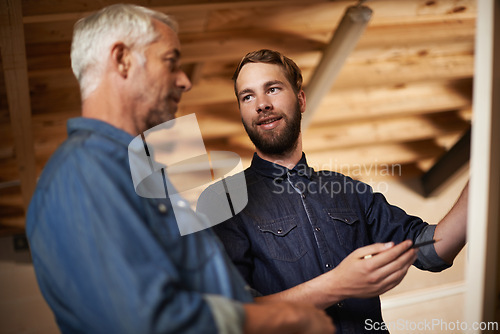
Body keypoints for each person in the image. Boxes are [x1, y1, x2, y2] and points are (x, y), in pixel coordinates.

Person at [26, 7, 335, 334]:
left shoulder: (135, 170)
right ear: (122, 59)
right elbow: (141, 321)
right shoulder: (83, 173)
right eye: (171, 61)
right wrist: (283, 317)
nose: (185, 81)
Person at [197, 49, 468, 333]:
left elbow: (431, 250)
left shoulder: (351, 191)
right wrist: (337, 284)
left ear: (300, 99)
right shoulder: (220, 202)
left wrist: (482, 186)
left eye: (273, 89)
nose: (261, 104)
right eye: (248, 96)